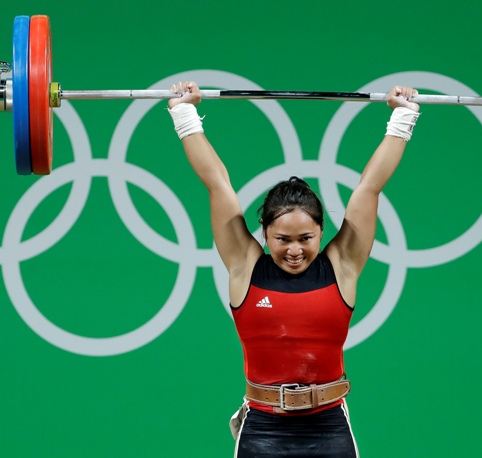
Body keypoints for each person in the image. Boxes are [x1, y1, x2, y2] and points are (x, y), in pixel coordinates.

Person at [168, 81, 420, 458]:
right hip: (263, 429)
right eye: (283, 239)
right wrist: (185, 113)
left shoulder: (343, 263)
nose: (295, 250)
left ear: (322, 231)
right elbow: (217, 184)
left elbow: (369, 188)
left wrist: (402, 116)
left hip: (329, 426)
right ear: (265, 234)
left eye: (305, 238)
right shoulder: (245, 264)